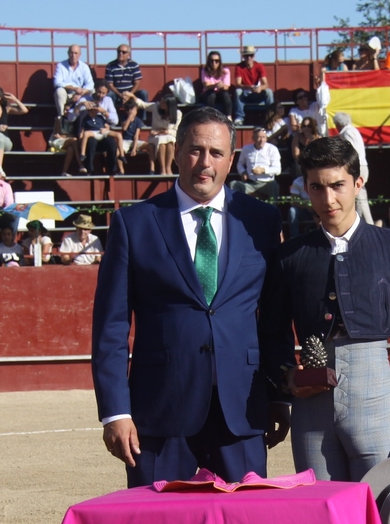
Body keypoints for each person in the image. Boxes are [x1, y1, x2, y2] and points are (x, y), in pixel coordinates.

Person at [260, 135, 390, 524]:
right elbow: (271, 335)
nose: (328, 199)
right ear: (305, 189)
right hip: (312, 406)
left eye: (337, 185)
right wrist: (283, 386)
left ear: (358, 183)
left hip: (375, 393)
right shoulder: (291, 256)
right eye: (316, 188)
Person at [92, 106, 289, 487]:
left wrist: (279, 395)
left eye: (216, 153)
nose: (205, 163)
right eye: (196, 150)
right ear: (178, 151)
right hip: (160, 410)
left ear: (231, 160)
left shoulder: (262, 221)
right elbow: (111, 325)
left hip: (242, 409)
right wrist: (115, 412)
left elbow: (274, 320)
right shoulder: (133, 224)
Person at [333, 111, 373, 224]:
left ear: (338, 123)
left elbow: (352, 152)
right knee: (359, 196)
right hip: (362, 165)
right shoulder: (354, 130)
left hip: (357, 166)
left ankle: (368, 224)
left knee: (360, 197)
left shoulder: (347, 133)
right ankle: (360, 223)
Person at [128, 93, 181, 175]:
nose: (160, 103)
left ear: (168, 105)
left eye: (163, 103)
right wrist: (133, 96)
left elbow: (176, 130)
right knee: (162, 140)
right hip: (155, 137)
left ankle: (168, 167)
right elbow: (143, 105)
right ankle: (163, 169)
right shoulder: (155, 107)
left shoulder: (177, 114)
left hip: (169, 136)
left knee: (170, 140)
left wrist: (163, 132)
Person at [230, 126, 281, 199]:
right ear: (253, 138)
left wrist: (263, 170)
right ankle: (235, 209)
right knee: (233, 184)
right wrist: (243, 172)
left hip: (266, 183)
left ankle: (273, 208)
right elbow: (240, 163)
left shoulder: (272, 149)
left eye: (263, 137)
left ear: (266, 138)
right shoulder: (246, 148)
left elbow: (278, 170)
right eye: (259, 137)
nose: (261, 140)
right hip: (250, 183)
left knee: (274, 185)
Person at [233, 45, 274, 126]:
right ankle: (239, 117)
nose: (249, 58)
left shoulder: (259, 66)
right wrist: (249, 87)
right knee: (238, 91)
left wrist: (260, 88)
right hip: (245, 94)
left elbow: (266, 84)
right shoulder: (239, 67)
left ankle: (271, 117)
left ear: (254, 56)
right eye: (246, 55)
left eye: (251, 55)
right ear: (243, 56)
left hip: (257, 93)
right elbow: (238, 84)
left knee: (269, 92)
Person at [53, 45, 94, 118]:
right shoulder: (61, 65)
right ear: (68, 53)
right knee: (59, 91)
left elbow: (90, 83)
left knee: (92, 90)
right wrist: (74, 89)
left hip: (80, 94)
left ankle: (89, 119)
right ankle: (62, 116)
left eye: (76, 53)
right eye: (71, 53)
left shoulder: (84, 67)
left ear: (80, 55)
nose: (73, 55)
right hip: (67, 94)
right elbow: (57, 82)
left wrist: (80, 94)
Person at [199, 51, 232, 119]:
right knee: (211, 95)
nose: (214, 63)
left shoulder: (225, 70)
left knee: (225, 94)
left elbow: (227, 87)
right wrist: (215, 85)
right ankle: (210, 117)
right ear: (209, 62)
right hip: (208, 93)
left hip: (221, 93)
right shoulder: (205, 70)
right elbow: (206, 86)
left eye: (216, 61)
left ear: (220, 62)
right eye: (212, 61)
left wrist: (222, 86)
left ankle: (228, 117)